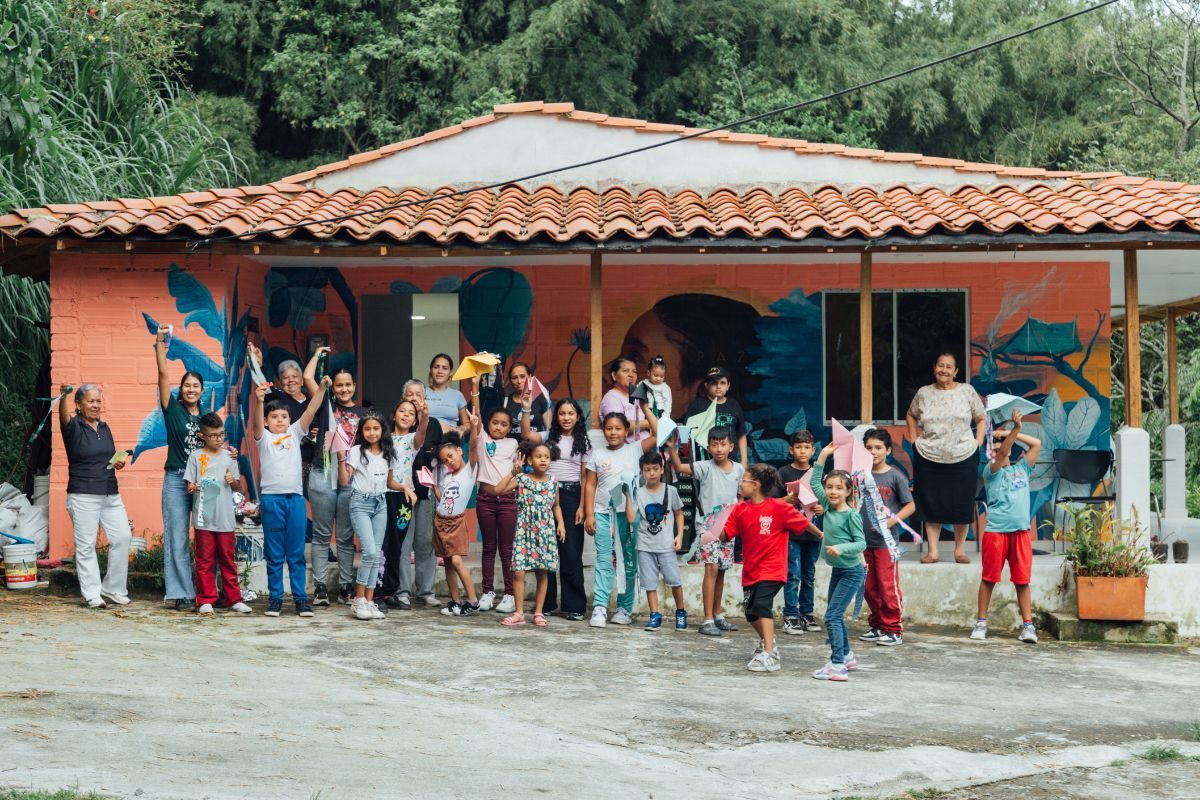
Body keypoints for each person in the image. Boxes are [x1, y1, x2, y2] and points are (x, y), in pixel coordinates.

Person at [719, 464, 813, 672]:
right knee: (751, 613)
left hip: (773, 568)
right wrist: (715, 528)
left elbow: (803, 524)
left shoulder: (779, 507)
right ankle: (768, 642)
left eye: (744, 480)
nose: (740, 484)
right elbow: (726, 534)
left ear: (755, 484)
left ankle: (770, 654)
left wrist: (823, 536)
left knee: (762, 605)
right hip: (751, 569)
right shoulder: (740, 509)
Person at [251, 374, 330, 618]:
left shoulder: (295, 433)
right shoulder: (263, 439)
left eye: (284, 416)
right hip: (272, 501)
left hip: (294, 501)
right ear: (267, 421)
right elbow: (255, 425)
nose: (280, 420)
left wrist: (322, 388)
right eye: (274, 417)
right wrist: (259, 401)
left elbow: (312, 409)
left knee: (295, 554)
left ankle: (300, 600)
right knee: (275, 555)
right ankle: (275, 600)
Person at [906, 352, 986, 564]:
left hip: (963, 455)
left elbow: (981, 418)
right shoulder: (924, 393)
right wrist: (914, 439)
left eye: (949, 367)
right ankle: (933, 551)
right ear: (934, 368)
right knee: (931, 504)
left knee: (962, 502)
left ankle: (959, 550)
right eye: (940, 365)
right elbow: (911, 414)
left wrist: (978, 442)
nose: (944, 370)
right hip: (929, 455)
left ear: (956, 371)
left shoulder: (967, 391)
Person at [584, 407, 660, 628]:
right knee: (604, 560)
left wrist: (644, 406)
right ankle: (599, 606)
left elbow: (657, 433)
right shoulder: (598, 454)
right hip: (603, 513)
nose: (613, 432)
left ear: (627, 430)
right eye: (608, 428)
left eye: (618, 428)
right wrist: (590, 514)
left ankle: (624, 608)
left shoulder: (636, 448)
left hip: (630, 515)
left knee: (629, 560)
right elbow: (590, 484)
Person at [59, 383, 132, 609]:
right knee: (86, 545)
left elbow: (107, 458)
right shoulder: (73, 427)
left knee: (122, 537)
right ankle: (92, 594)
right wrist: (63, 396)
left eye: (98, 401)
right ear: (78, 404)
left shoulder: (105, 427)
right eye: (90, 401)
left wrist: (117, 462)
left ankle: (113, 588)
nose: (96, 405)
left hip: (110, 492)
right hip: (83, 494)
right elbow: (63, 416)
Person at [972, 410, 1042, 644]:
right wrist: (1012, 431)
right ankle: (981, 623)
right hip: (996, 532)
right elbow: (1001, 453)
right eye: (995, 442)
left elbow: (1037, 444)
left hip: (1021, 533)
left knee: (1022, 581)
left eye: (1003, 441)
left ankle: (1028, 627)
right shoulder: (991, 471)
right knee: (989, 578)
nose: (1000, 445)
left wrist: (1011, 432)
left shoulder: (1021, 469)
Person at [667, 427, 745, 637]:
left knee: (721, 571)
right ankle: (707, 619)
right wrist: (673, 450)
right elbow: (680, 467)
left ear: (731, 446)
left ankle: (718, 615)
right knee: (711, 569)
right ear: (708, 447)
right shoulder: (704, 467)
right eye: (714, 444)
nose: (718, 449)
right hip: (708, 528)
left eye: (723, 444)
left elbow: (741, 498)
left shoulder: (739, 470)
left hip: (729, 529)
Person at [303, 348, 366, 605]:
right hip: (324, 471)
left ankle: (345, 587)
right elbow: (308, 379)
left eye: (348, 385)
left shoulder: (364, 414)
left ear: (354, 386)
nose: (343, 389)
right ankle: (319, 587)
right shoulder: (325, 406)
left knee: (345, 535)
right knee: (320, 533)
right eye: (339, 385)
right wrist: (318, 355)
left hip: (352, 475)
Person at [522, 397, 590, 620]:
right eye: (562, 413)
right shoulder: (547, 437)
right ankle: (547, 604)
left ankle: (574, 606)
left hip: (571, 496)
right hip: (543, 494)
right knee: (545, 551)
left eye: (571, 413)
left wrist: (582, 506)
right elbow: (526, 434)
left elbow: (584, 476)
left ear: (578, 416)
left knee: (570, 552)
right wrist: (526, 409)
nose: (566, 418)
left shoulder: (584, 442)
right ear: (556, 417)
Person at [491, 439, 566, 627]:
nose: (543, 460)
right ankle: (519, 613)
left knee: (543, 573)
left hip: (545, 532)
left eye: (547, 457)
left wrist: (561, 524)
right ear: (530, 461)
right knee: (519, 572)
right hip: (525, 530)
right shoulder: (522, 479)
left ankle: (539, 612)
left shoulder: (553, 482)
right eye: (538, 457)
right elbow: (497, 490)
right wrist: (513, 472)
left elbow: (556, 505)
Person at [155, 324, 203, 611]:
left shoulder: (208, 418)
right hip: (175, 478)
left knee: (208, 536)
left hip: (201, 482)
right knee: (177, 536)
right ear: (181, 389)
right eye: (187, 385)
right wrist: (160, 342)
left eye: (196, 386)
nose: (191, 389)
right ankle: (182, 593)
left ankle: (207, 592)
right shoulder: (172, 409)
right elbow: (162, 374)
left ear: (201, 390)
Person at [184, 412, 251, 616]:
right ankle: (206, 599)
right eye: (213, 435)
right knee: (204, 560)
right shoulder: (196, 456)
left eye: (221, 434)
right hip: (204, 516)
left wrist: (232, 481)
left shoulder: (228, 456)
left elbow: (238, 488)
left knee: (228, 560)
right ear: (202, 435)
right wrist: (194, 487)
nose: (219, 439)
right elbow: (189, 486)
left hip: (225, 518)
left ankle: (234, 599)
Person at [810, 448, 868, 682]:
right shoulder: (827, 504)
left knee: (832, 616)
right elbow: (815, 482)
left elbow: (861, 543)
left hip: (852, 572)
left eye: (838, 488)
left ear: (848, 492)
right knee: (835, 615)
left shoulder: (851, 515)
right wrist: (823, 456)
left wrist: (840, 548)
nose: (832, 491)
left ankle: (837, 665)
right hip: (838, 570)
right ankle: (847, 655)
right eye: (830, 487)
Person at [857, 429, 916, 647]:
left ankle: (893, 629)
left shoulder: (895, 476)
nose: (873, 452)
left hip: (885, 543)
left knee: (886, 585)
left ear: (888, 450)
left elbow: (910, 505)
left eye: (878, 447)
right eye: (869, 448)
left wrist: (891, 522)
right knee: (868, 587)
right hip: (863, 542)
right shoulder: (859, 476)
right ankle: (878, 625)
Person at [472, 378, 520, 614]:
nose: (498, 427)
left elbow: (518, 472)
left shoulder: (513, 444)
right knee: (488, 547)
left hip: (509, 502)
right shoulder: (483, 439)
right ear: (488, 424)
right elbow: (477, 416)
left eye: (503, 424)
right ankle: (487, 592)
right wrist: (474, 388)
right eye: (494, 423)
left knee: (507, 549)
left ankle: (509, 594)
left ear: (509, 428)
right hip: (486, 501)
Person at [626, 451, 686, 632]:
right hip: (645, 546)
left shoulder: (671, 490)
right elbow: (630, 518)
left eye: (655, 469)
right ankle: (655, 615)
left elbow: (679, 513)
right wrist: (629, 493)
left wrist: (680, 535)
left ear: (662, 470)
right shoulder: (639, 493)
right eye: (647, 470)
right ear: (642, 472)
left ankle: (681, 612)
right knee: (649, 582)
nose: (651, 473)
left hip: (666, 545)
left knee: (674, 580)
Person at [396, 379, 443, 609]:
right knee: (404, 542)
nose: (414, 398)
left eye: (418, 394)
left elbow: (438, 455)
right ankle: (403, 590)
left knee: (425, 541)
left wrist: (439, 485)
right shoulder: (397, 423)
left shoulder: (432, 424)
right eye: (410, 394)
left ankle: (426, 591)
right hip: (401, 491)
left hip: (424, 490)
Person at [378, 399, 426, 609]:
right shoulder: (383, 438)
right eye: (402, 411)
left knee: (397, 545)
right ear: (394, 413)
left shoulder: (411, 440)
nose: (406, 415)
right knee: (382, 544)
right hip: (382, 494)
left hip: (404, 499)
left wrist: (424, 414)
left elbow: (422, 431)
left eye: (411, 413)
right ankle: (377, 591)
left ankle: (391, 592)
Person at [778, 429, 822, 635]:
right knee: (792, 574)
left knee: (809, 574)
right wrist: (787, 501)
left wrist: (823, 507)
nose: (802, 451)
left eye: (806, 447)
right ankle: (790, 615)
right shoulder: (783, 473)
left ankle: (806, 613)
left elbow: (829, 498)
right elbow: (772, 502)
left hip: (813, 533)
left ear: (813, 450)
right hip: (791, 534)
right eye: (798, 447)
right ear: (791, 450)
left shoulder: (818, 473)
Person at [434, 427, 481, 617]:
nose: (449, 462)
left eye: (451, 456)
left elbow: (474, 448)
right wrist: (432, 486)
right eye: (445, 460)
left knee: (456, 560)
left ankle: (472, 601)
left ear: (460, 451)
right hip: (440, 521)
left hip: (456, 523)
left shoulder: (469, 471)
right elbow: (442, 498)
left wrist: (474, 426)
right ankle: (455, 601)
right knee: (447, 562)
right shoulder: (446, 477)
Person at [680, 366, 749, 466]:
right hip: (704, 463)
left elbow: (741, 434)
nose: (718, 386)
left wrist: (744, 461)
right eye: (714, 383)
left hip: (730, 463)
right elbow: (686, 435)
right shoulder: (697, 405)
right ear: (706, 385)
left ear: (728, 386)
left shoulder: (734, 405)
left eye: (722, 383)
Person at [600, 356, 651, 442]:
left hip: (647, 447)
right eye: (625, 371)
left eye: (634, 372)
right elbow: (617, 426)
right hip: (628, 451)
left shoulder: (637, 397)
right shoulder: (611, 398)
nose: (631, 375)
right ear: (614, 376)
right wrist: (648, 423)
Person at [496, 361, 550, 434]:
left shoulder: (541, 399)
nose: (519, 381)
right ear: (510, 380)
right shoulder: (505, 402)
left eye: (522, 376)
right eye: (514, 378)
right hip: (513, 445)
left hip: (536, 444)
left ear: (530, 377)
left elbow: (549, 430)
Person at [425, 353, 470, 435]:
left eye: (445, 368)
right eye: (436, 367)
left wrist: (462, 429)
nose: (440, 371)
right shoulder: (421, 392)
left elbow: (467, 424)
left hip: (450, 442)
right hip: (425, 441)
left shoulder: (457, 395)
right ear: (431, 370)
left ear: (450, 373)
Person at [642, 355, 673, 421]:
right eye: (655, 375)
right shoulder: (644, 383)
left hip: (660, 411)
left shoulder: (664, 387)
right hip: (647, 410)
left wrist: (666, 416)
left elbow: (668, 402)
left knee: (658, 429)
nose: (658, 378)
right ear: (648, 373)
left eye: (661, 376)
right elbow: (636, 392)